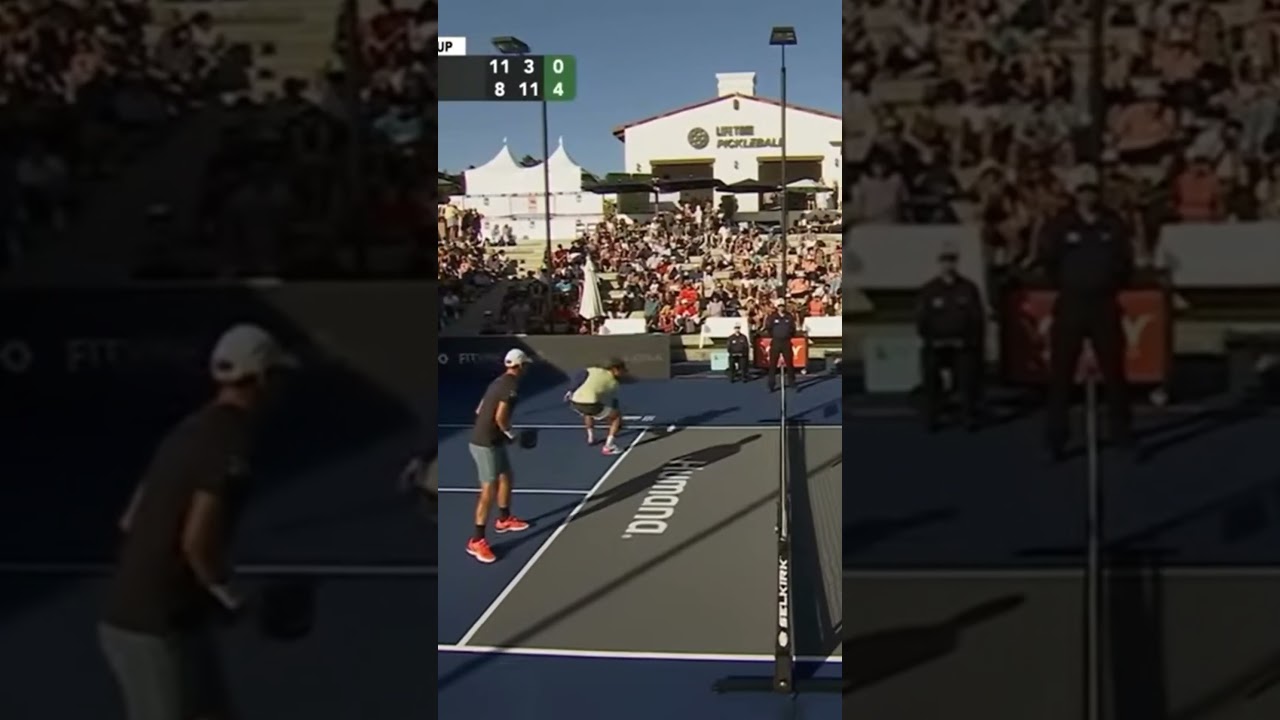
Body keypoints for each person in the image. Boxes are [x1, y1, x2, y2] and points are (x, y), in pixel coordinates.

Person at [100, 323, 297, 720]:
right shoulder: (229, 439)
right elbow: (197, 543)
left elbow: (131, 518)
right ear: (260, 378)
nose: (283, 386)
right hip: (153, 627)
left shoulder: (190, 428)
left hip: (171, 616)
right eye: (278, 376)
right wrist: (232, 596)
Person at [1039, 177, 1134, 459]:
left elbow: (1125, 263)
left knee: (1115, 373)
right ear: (1075, 193)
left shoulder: (1113, 223)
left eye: (1092, 190)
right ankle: (1056, 440)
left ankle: (1122, 435)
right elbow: (1049, 260)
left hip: (1104, 304)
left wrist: (1108, 284)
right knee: (1061, 375)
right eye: (1082, 190)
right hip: (1072, 304)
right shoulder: (1061, 224)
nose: (1087, 195)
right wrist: (1070, 284)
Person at [466, 348, 532, 564]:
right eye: (526, 365)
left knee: (507, 476)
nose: (526, 369)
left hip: (492, 439)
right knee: (488, 491)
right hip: (486, 443)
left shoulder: (498, 382)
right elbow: (500, 417)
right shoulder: (510, 386)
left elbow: (479, 410)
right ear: (520, 366)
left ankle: (503, 519)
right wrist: (512, 435)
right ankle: (476, 541)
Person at [916, 244, 985, 430]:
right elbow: (922, 320)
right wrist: (932, 339)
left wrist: (969, 340)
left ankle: (968, 414)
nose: (948, 265)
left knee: (968, 369)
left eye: (952, 260)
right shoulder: (929, 290)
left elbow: (976, 319)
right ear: (940, 263)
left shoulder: (968, 288)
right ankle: (932, 414)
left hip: (962, 344)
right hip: (937, 344)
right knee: (929, 367)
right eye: (945, 260)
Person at [566, 357, 628, 454]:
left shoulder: (592, 370)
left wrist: (571, 390)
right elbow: (612, 402)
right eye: (622, 370)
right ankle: (609, 447)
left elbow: (579, 376)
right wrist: (615, 419)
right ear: (615, 369)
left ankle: (590, 438)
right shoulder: (613, 383)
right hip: (590, 404)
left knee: (588, 413)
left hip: (574, 402)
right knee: (616, 417)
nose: (623, 373)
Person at [765, 299, 798, 392]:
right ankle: (771, 384)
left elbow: (793, 329)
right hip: (776, 342)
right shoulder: (772, 317)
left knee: (790, 364)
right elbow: (769, 329)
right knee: (772, 365)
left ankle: (792, 382)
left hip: (786, 342)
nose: (781, 308)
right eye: (779, 306)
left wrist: (788, 336)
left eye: (782, 306)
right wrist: (776, 336)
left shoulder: (789, 316)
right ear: (777, 307)